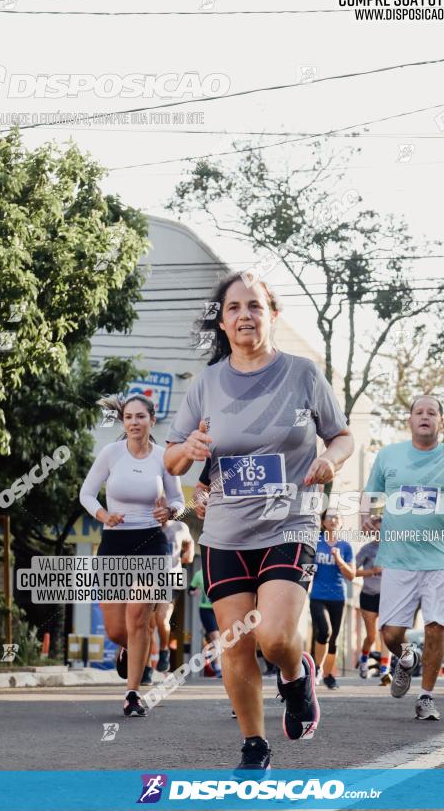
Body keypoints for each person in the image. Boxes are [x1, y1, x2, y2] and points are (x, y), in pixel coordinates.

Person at [164, 272, 354, 772]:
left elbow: (342, 436)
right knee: (236, 642)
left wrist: (331, 459)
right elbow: (172, 459)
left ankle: (295, 674)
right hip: (226, 531)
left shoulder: (304, 374)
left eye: (255, 305)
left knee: (272, 636)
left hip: (289, 522)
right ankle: (254, 745)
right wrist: (188, 449)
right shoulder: (205, 384)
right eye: (234, 308)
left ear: (272, 314)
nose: (245, 315)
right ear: (223, 322)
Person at [360, 394, 444, 722]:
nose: (425, 417)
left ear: (441, 422)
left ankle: (427, 697)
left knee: (436, 627)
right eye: (419, 411)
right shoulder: (389, 456)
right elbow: (369, 494)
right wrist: (365, 514)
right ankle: (405, 658)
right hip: (398, 559)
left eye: (432, 412)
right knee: (389, 633)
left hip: (439, 560)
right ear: (410, 420)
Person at [80, 394, 185, 717]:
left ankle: (133, 694)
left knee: (139, 617)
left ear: (152, 420)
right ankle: (130, 647)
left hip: (152, 542)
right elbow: (86, 492)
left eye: (140, 417)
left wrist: (169, 511)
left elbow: (180, 501)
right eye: (128, 417)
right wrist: (102, 515)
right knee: (116, 629)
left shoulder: (164, 457)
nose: (134, 422)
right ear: (122, 421)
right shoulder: (111, 454)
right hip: (115, 541)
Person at [309, 511, 355, 689]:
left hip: (337, 596)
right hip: (317, 596)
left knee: (334, 639)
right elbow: (305, 570)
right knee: (324, 632)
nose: (333, 520)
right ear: (322, 522)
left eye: (337, 517)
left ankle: (329, 676)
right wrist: (309, 569)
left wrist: (338, 559)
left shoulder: (345, 546)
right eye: (329, 517)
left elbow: (351, 575)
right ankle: (318, 669)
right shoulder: (315, 543)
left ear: (341, 522)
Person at [152, 517, 195, 677]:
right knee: (148, 626)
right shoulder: (146, 525)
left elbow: (189, 541)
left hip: (171, 578)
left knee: (161, 619)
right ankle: (148, 668)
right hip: (147, 579)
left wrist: (189, 551)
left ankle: (164, 649)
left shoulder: (179, 526)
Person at [355, 520, 392, 685]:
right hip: (368, 595)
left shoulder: (394, 548)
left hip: (387, 597)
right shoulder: (367, 549)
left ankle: (385, 670)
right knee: (371, 636)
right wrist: (372, 571)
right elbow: (352, 570)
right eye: (376, 530)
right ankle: (364, 660)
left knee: (386, 634)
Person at [189, 566, 222, 677]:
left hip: (220, 608)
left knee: (222, 638)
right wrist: (194, 592)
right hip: (206, 609)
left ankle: (217, 662)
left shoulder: (220, 570)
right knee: (215, 638)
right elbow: (190, 590)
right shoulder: (199, 574)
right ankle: (218, 669)